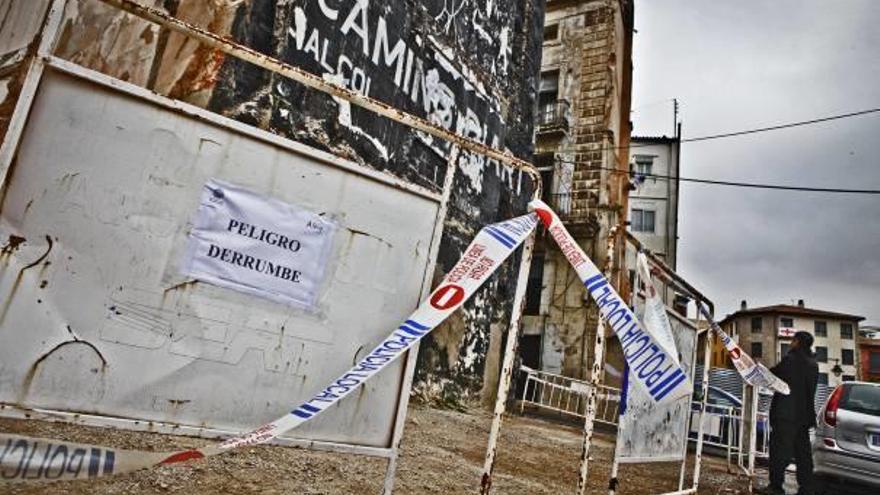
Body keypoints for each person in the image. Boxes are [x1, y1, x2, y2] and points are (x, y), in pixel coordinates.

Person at [756, 331, 819, 495]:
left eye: (792, 340)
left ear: (797, 342)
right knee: (803, 455)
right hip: (804, 416)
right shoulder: (813, 364)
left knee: (779, 452)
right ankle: (807, 489)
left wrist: (758, 369)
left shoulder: (790, 360)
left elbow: (772, 374)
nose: (791, 343)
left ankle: (776, 487)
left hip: (786, 415)